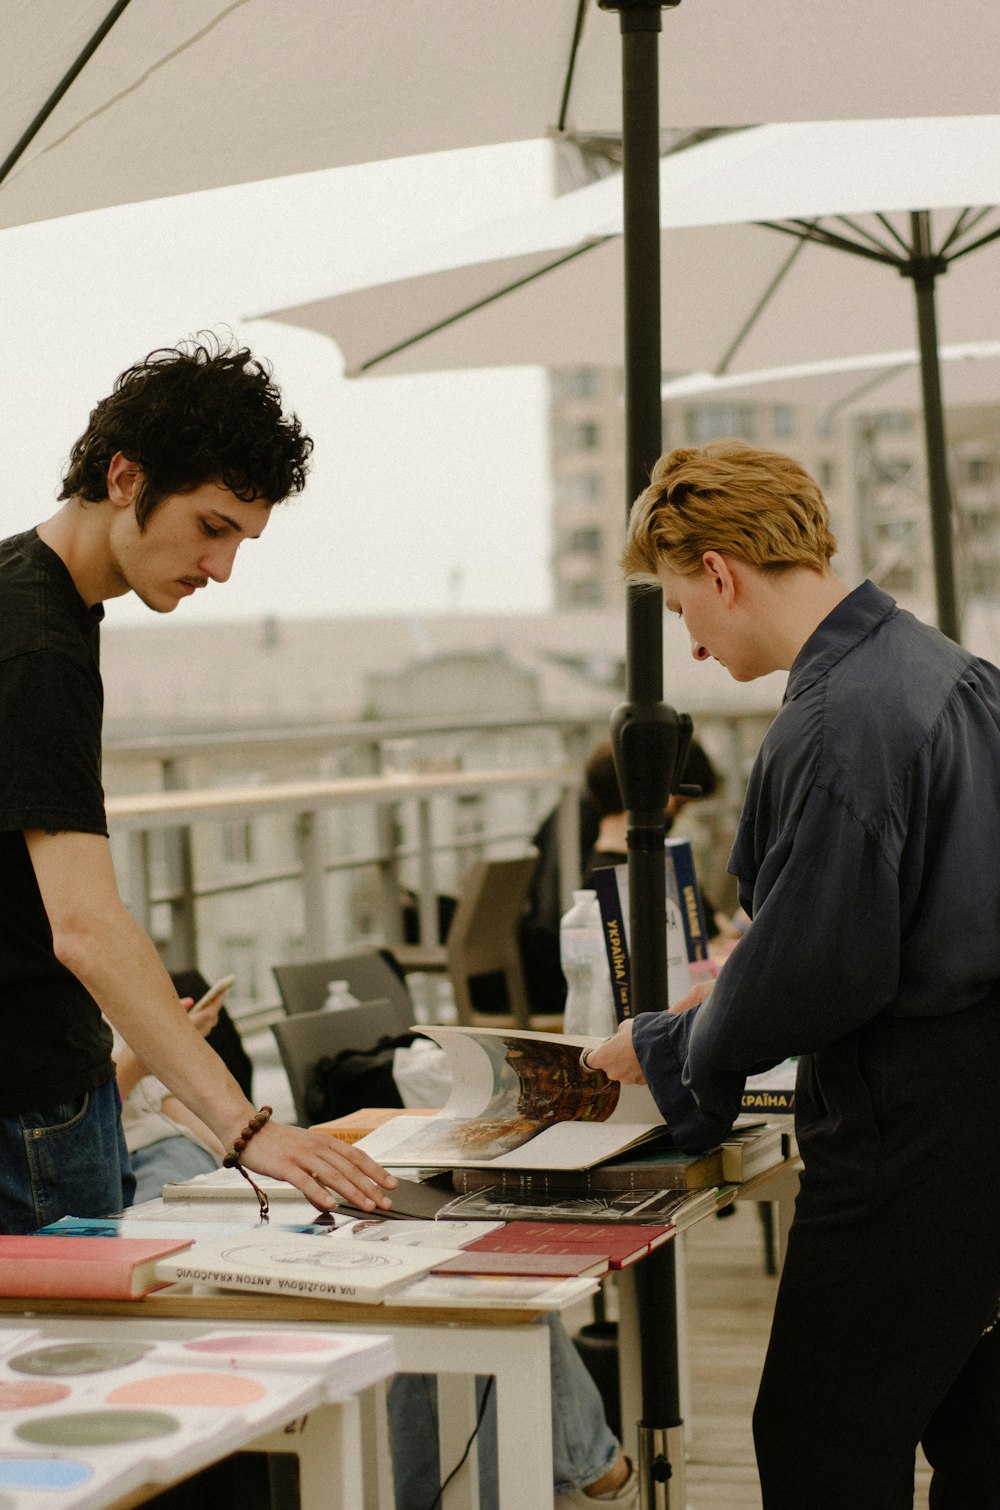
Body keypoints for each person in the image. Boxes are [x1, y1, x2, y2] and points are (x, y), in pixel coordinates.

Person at [589, 439, 1000, 1509]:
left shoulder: (837, 717)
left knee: (819, 1441)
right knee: (978, 1429)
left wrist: (670, 1045)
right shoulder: (944, 669)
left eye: (682, 608)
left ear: (720, 571)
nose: (688, 640)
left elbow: (826, 965)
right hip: (982, 1104)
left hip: (908, 1125)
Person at [0, 336, 395, 1235]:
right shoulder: (40, 641)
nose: (220, 568)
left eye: (240, 541)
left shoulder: (25, 594)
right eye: (213, 527)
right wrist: (246, 1126)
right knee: (85, 1376)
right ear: (127, 477)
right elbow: (86, 928)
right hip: (30, 1114)